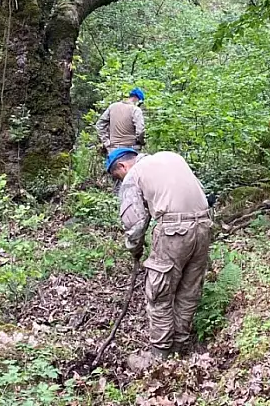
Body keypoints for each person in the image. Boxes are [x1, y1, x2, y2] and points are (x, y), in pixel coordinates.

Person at [106, 147, 211, 368]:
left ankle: (160, 356)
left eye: (118, 176)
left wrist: (134, 248)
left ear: (123, 166)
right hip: (204, 225)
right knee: (189, 290)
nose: (121, 180)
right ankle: (179, 347)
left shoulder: (134, 174)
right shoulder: (172, 157)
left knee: (159, 292)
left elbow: (134, 222)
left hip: (173, 230)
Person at [95, 88, 146, 153]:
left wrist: (106, 141)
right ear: (137, 99)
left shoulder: (112, 106)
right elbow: (140, 131)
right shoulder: (136, 110)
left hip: (113, 148)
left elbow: (99, 125)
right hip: (131, 148)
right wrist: (141, 142)